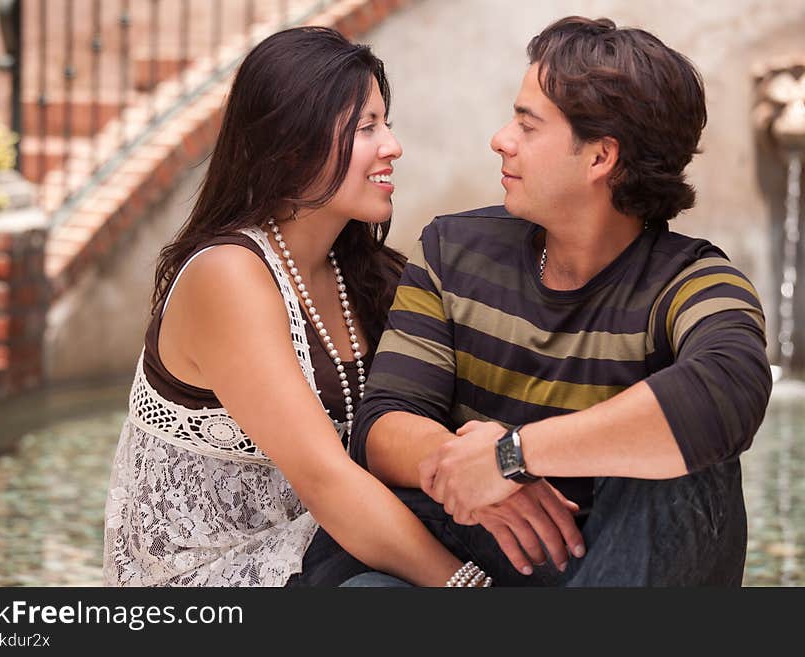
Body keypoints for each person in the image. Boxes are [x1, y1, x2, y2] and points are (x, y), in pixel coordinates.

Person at [348, 16, 772, 587]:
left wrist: (513, 455)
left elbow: (728, 392)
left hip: (626, 563)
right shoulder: (452, 250)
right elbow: (384, 424)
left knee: (686, 461)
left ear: (601, 158)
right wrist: (474, 476)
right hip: (480, 552)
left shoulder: (692, 282)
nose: (502, 139)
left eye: (528, 125)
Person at [103, 26, 492, 587]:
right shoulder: (228, 276)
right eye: (366, 128)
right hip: (214, 580)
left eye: (387, 122)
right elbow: (329, 481)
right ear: (292, 146)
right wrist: (471, 589)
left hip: (320, 551)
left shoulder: (364, 274)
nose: (392, 146)